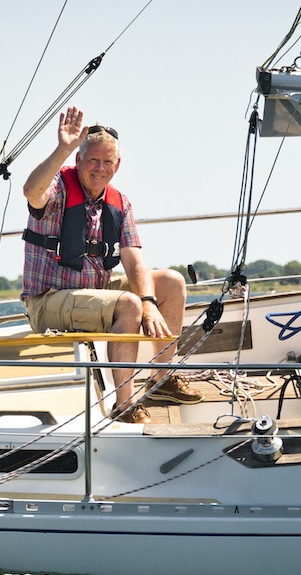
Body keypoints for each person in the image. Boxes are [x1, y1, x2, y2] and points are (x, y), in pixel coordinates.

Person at [21, 106, 203, 423]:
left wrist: (150, 301)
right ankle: (125, 405)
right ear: (78, 160)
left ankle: (162, 378)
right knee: (129, 304)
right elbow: (31, 191)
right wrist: (62, 147)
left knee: (171, 283)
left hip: (95, 291)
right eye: (92, 160)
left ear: (117, 165)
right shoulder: (59, 189)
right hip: (48, 300)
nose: (100, 168)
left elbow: (134, 261)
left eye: (107, 161)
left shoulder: (120, 202)